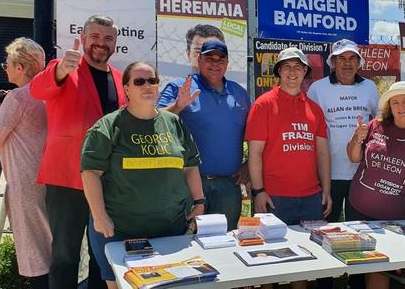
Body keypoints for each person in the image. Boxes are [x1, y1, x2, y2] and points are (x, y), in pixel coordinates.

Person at [81, 62, 205, 289]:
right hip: (120, 230)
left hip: (169, 229)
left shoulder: (174, 123)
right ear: (126, 88)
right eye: (139, 82)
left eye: (152, 81)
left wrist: (199, 202)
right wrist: (99, 216)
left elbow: (190, 166)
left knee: (170, 284)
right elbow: (90, 172)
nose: (147, 86)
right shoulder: (108, 126)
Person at [30, 15, 127, 289]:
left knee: (103, 254)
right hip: (66, 180)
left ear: (115, 43)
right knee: (64, 254)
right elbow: (38, 89)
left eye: (108, 38)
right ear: (83, 39)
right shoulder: (62, 69)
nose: (101, 43)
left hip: (107, 182)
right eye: (95, 36)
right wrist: (60, 69)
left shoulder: (121, 78)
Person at [346, 81, 405, 289]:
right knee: (358, 270)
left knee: (383, 269)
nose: (400, 106)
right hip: (359, 212)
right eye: (395, 102)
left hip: (395, 220)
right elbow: (354, 157)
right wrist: (356, 139)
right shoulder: (374, 126)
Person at [0, 38, 51, 289]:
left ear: (20, 67)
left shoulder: (17, 98)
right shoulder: (49, 94)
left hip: (23, 183)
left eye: (7, 64)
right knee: (51, 250)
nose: (5, 69)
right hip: (49, 179)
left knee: (35, 257)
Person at [158, 39, 250, 230]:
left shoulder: (239, 93)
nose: (215, 64)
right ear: (198, 60)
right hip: (188, 184)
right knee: (185, 242)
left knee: (224, 243)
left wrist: (249, 163)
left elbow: (254, 133)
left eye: (221, 59)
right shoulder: (180, 87)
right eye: (209, 58)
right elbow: (155, 121)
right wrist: (178, 106)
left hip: (228, 186)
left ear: (227, 63)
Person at [246, 47, 332, 224]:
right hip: (275, 198)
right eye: (287, 66)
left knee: (314, 250)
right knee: (274, 250)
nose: (292, 72)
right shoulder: (263, 105)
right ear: (279, 70)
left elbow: (322, 152)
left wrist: (326, 190)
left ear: (305, 71)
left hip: (311, 197)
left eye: (298, 67)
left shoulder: (315, 109)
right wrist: (259, 191)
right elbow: (255, 153)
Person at [307, 39, 379, 222]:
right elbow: (310, 128)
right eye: (341, 58)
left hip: (361, 172)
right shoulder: (317, 89)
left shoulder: (369, 87)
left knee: (360, 227)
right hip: (328, 172)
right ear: (333, 62)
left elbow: (378, 123)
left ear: (359, 62)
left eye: (352, 58)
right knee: (326, 226)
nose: (347, 63)